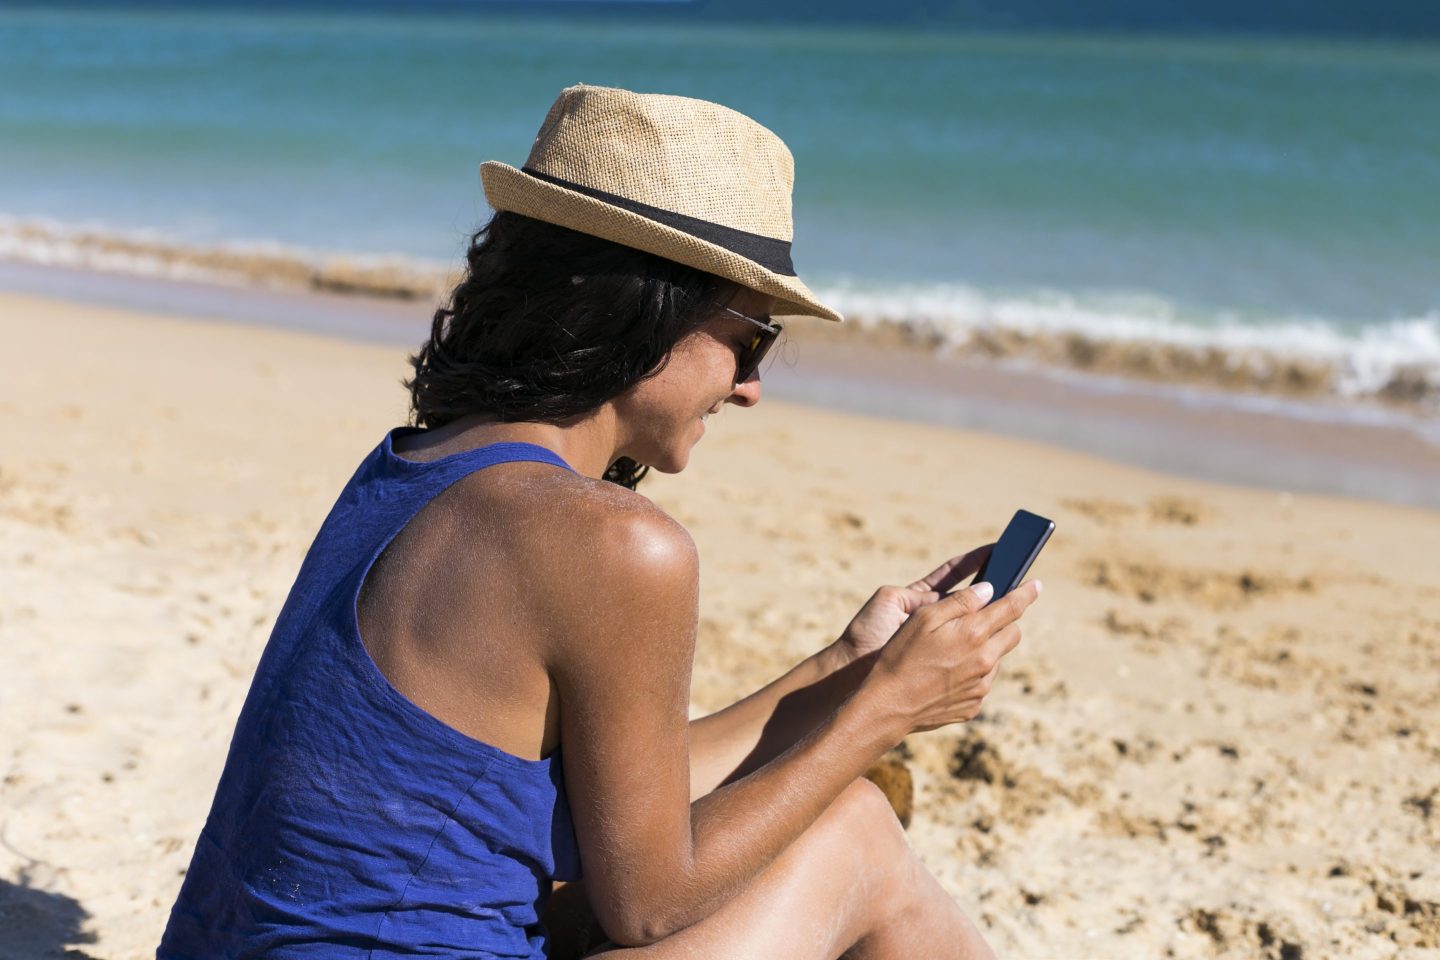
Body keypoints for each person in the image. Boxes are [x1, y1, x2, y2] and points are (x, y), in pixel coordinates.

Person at [158, 84, 1041, 959]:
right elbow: (650, 905)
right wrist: (886, 713)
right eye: (752, 339)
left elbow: (626, 819)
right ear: (644, 305)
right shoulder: (614, 543)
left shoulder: (420, 466)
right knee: (856, 835)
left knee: (837, 818)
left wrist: (848, 669)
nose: (751, 387)